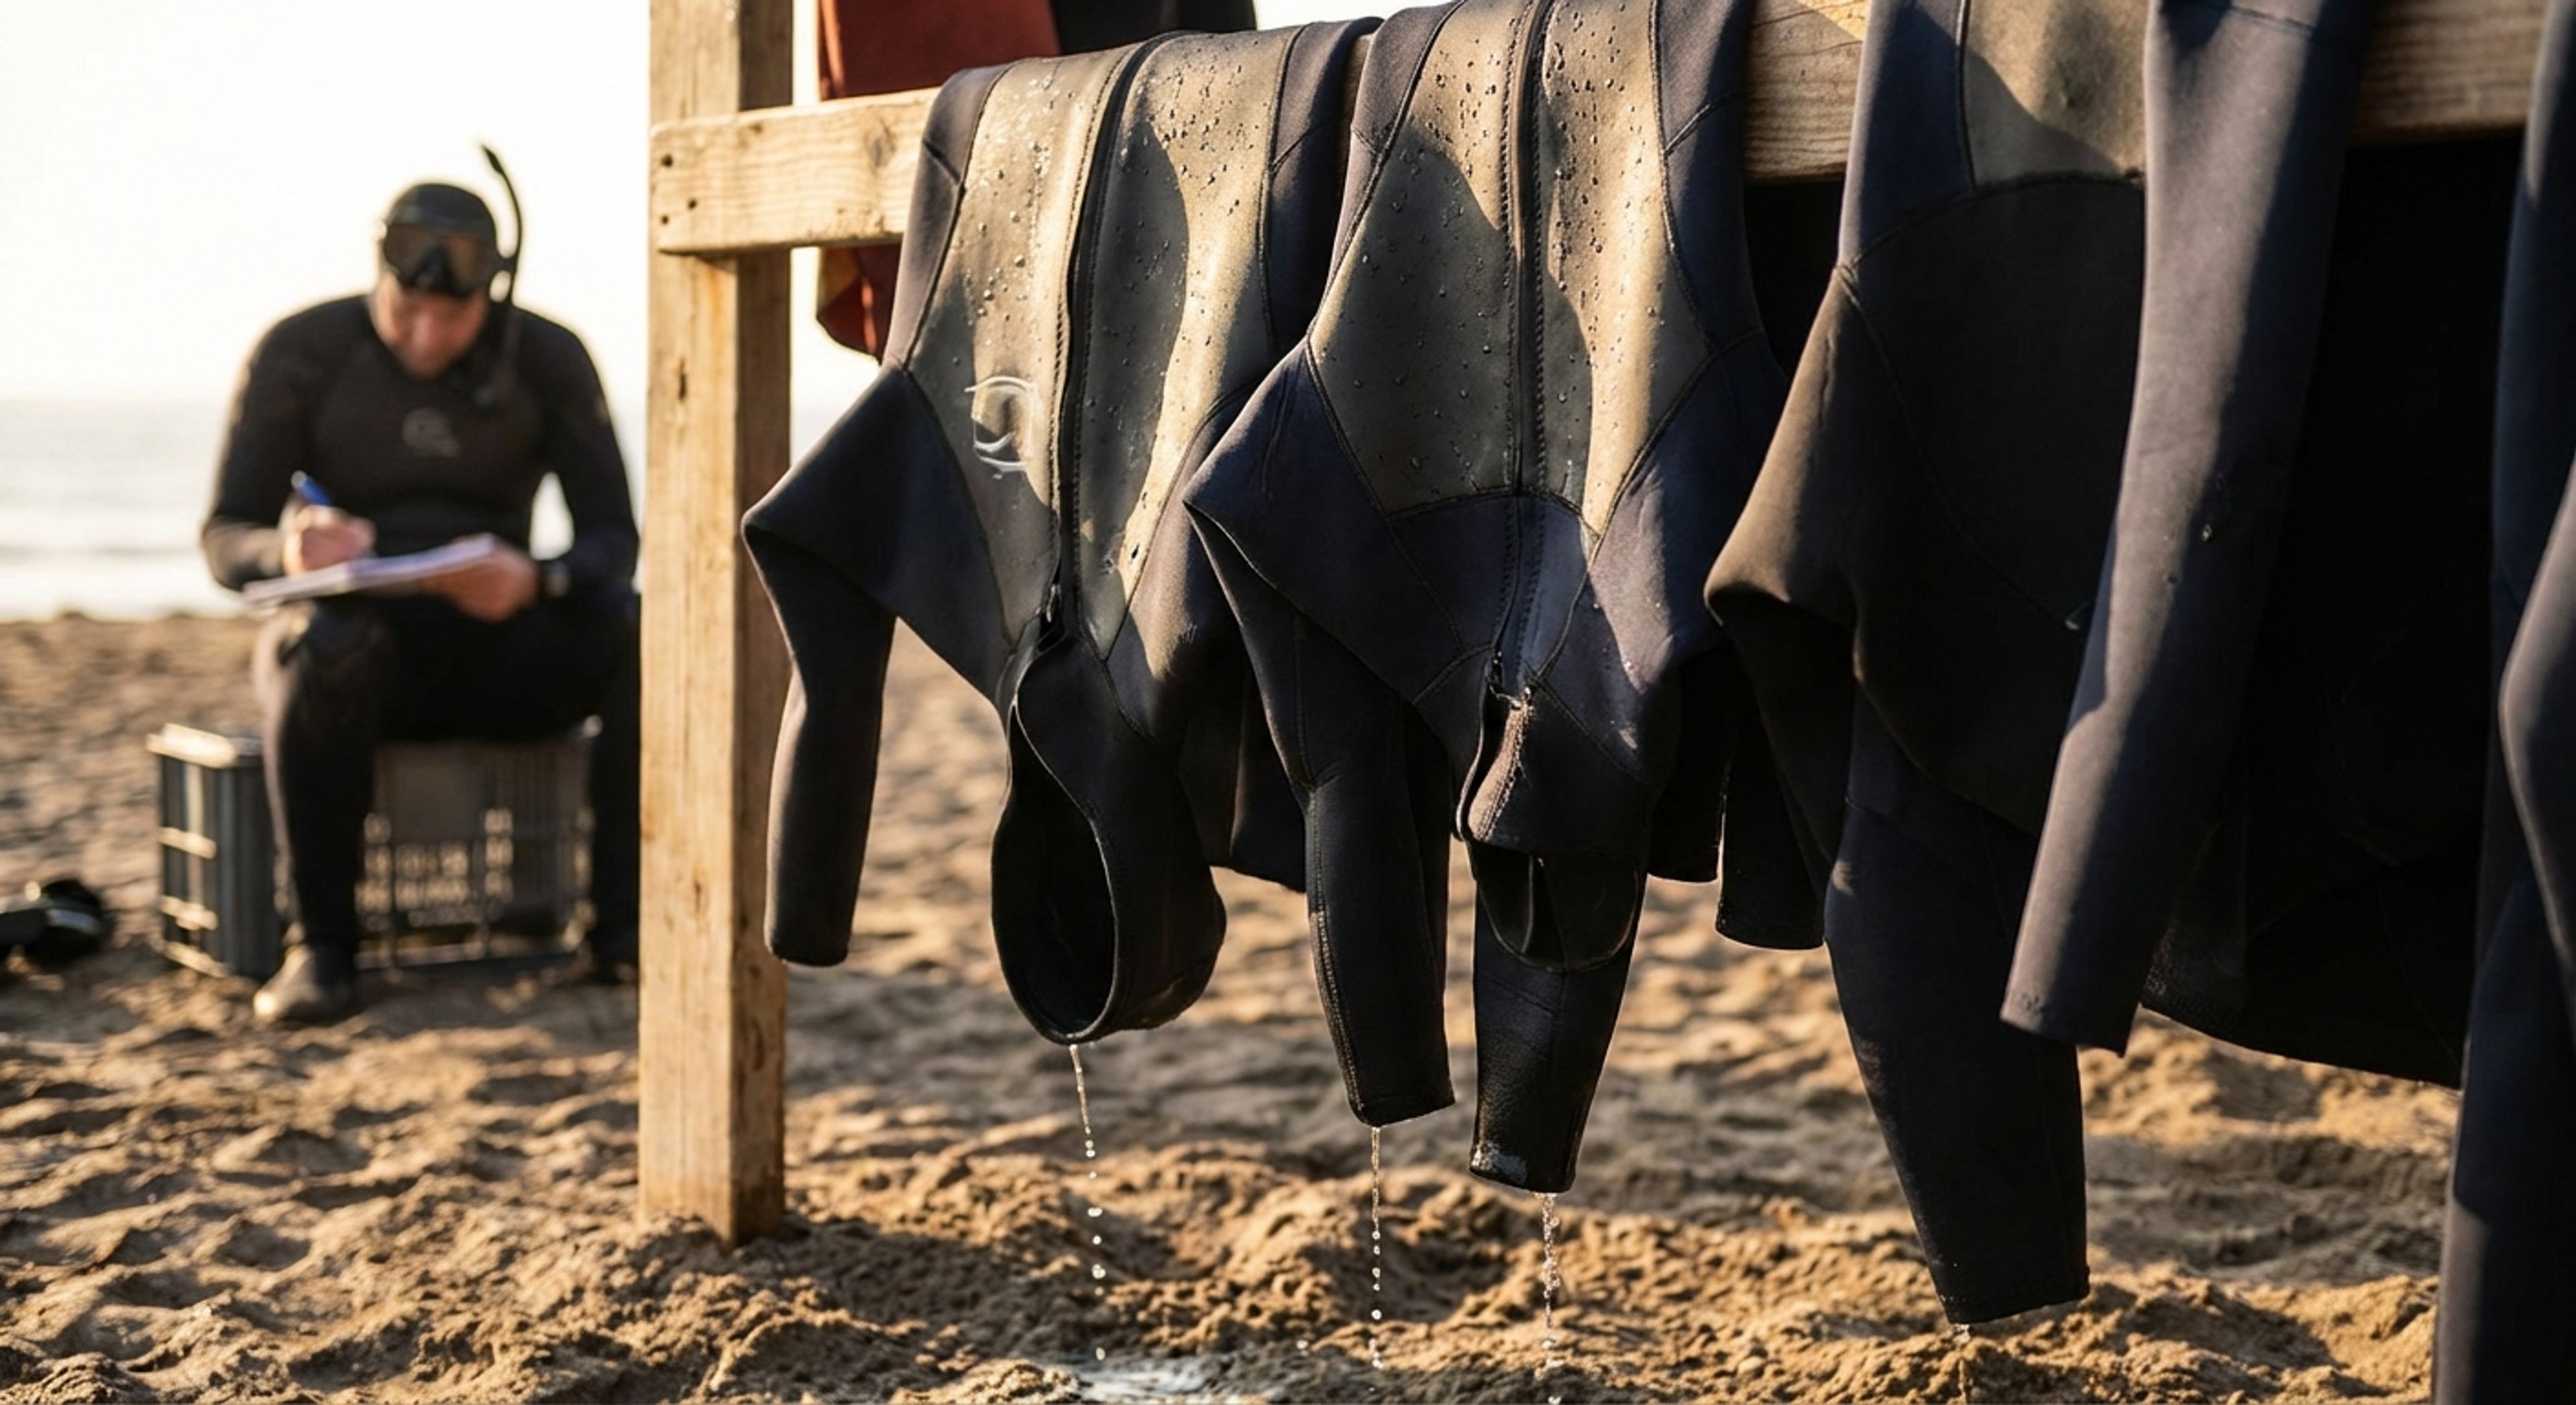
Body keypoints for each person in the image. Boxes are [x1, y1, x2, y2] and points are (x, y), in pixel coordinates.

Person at [201, 178, 639, 1024]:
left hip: (500, 649)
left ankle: (618, 933)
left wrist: (536, 578)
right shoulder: (300, 350)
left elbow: (614, 541)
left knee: (638, 631)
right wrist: (285, 548)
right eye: (409, 310)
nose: (428, 334)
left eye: (454, 316)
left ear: (495, 290)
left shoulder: (550, 358)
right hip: (360, 661)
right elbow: (225, 537)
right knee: (316, 642)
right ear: (380, 274)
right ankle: (322, 948)